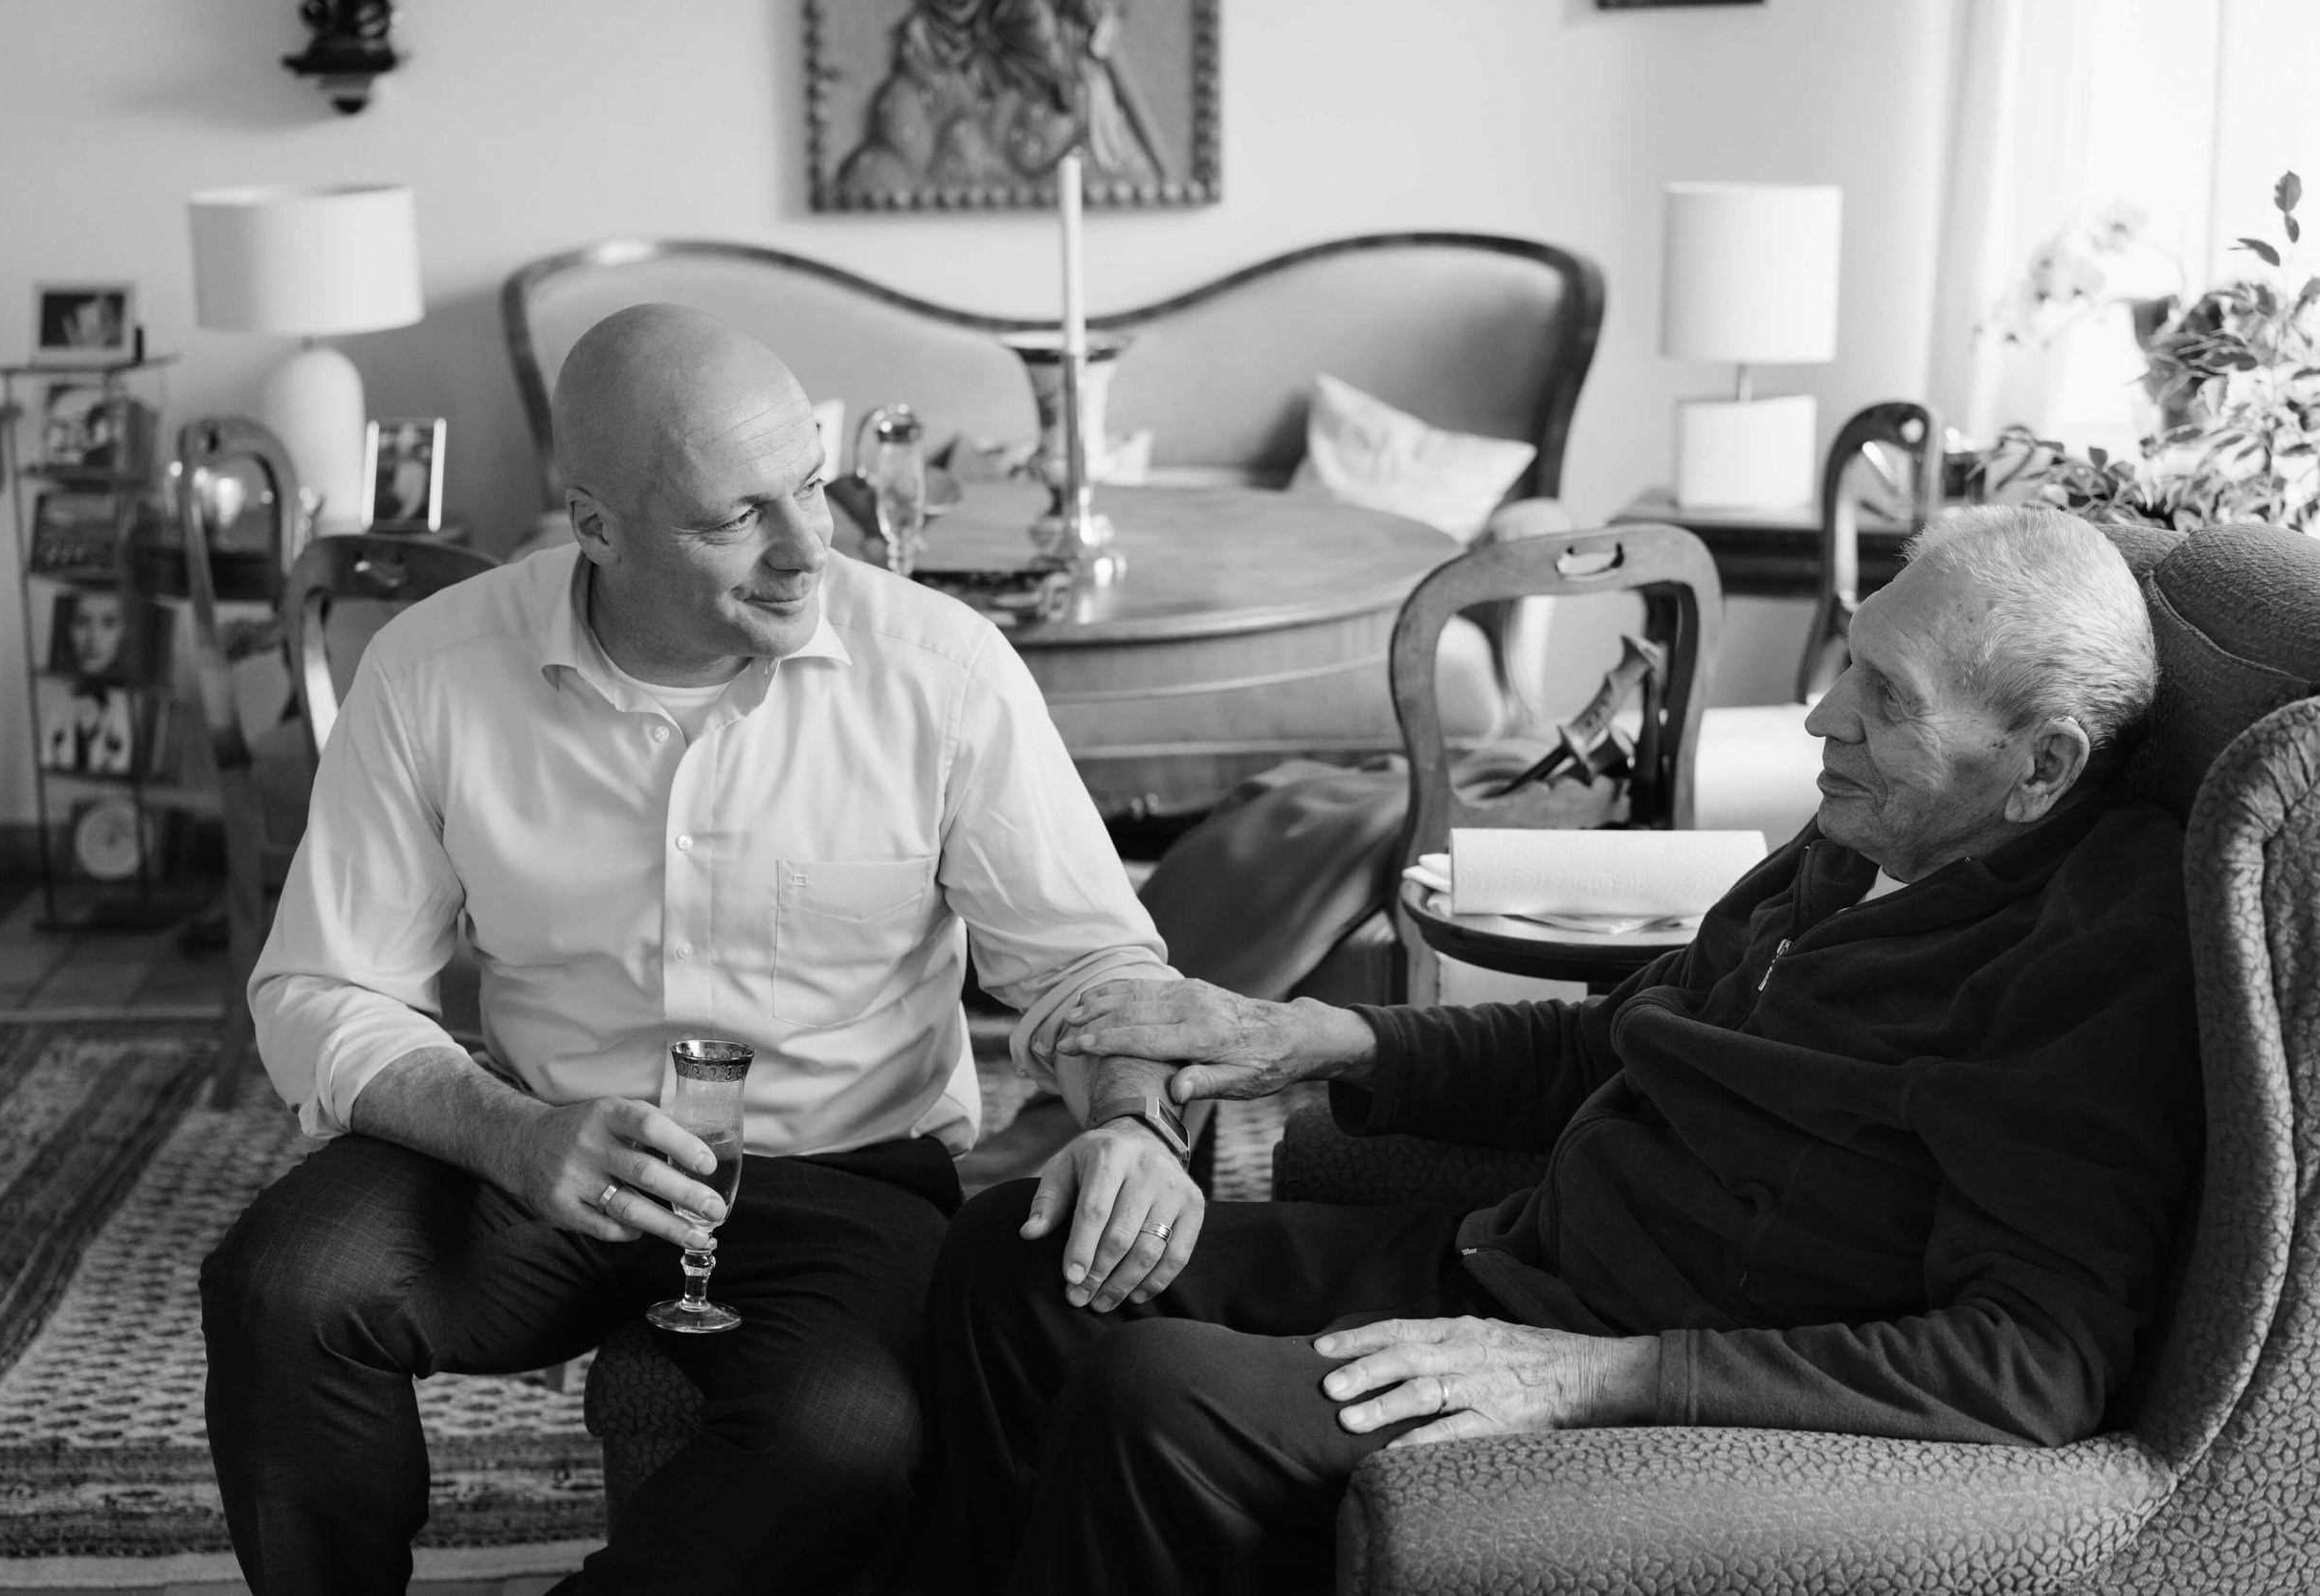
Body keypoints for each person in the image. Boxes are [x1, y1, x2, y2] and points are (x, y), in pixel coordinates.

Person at [916, 504, 2204, 1595]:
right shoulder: (1865, 842)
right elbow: (1611, 1041)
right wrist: (1312, 1033)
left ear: (2040, 767)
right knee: (1018, 1253)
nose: (1822, 716)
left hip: (1643, 1361)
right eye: (1852, 665)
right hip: (1517, 1259)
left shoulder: (2086, 969)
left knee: (1159, 1397)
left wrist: (1606, 1378)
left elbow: (2032, 1365)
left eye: (1884, 697)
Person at [199, 305, 1198, 1596]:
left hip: (843, 1177)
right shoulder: (433, 670)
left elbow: (1092, 970)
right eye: (739, 519)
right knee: (281, 1285)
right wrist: (507, 1133)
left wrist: (1131, 1121)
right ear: (596, 524)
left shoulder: (942, 673)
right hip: (539, 1151)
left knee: (847, 1434)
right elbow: (323, 987)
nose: (806, 550)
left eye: (812, 487)